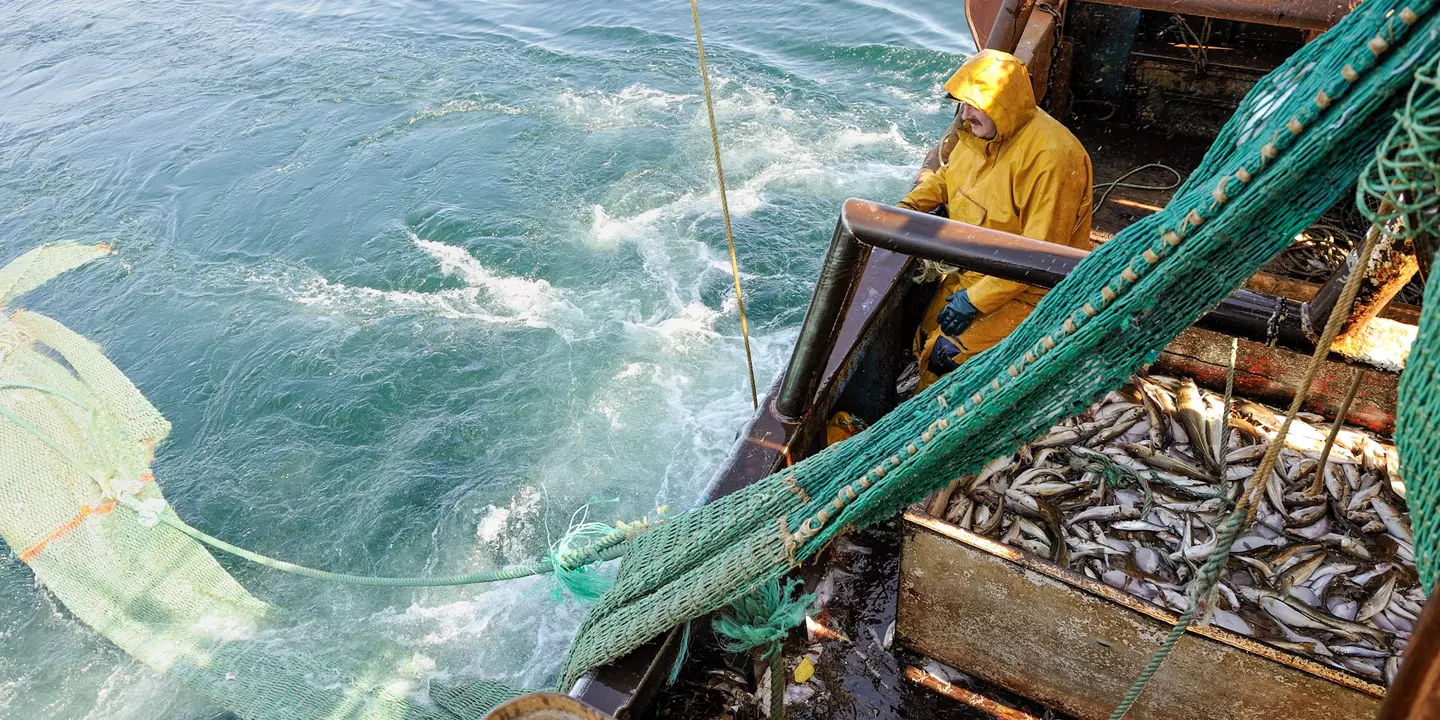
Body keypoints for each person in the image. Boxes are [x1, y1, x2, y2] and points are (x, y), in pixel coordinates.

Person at [899, 49, 1093, 390]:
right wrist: (905, 208)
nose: (965, 114)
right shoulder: (978, 133)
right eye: (962, 103)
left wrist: (975, 301)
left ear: (1003, 105)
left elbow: (1039, 254)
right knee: (924, 337)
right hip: (975, 268)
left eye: (976, 105)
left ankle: (925, 423)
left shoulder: (1054, 159)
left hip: (1030, 289)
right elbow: (948, 179)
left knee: (946, 353)